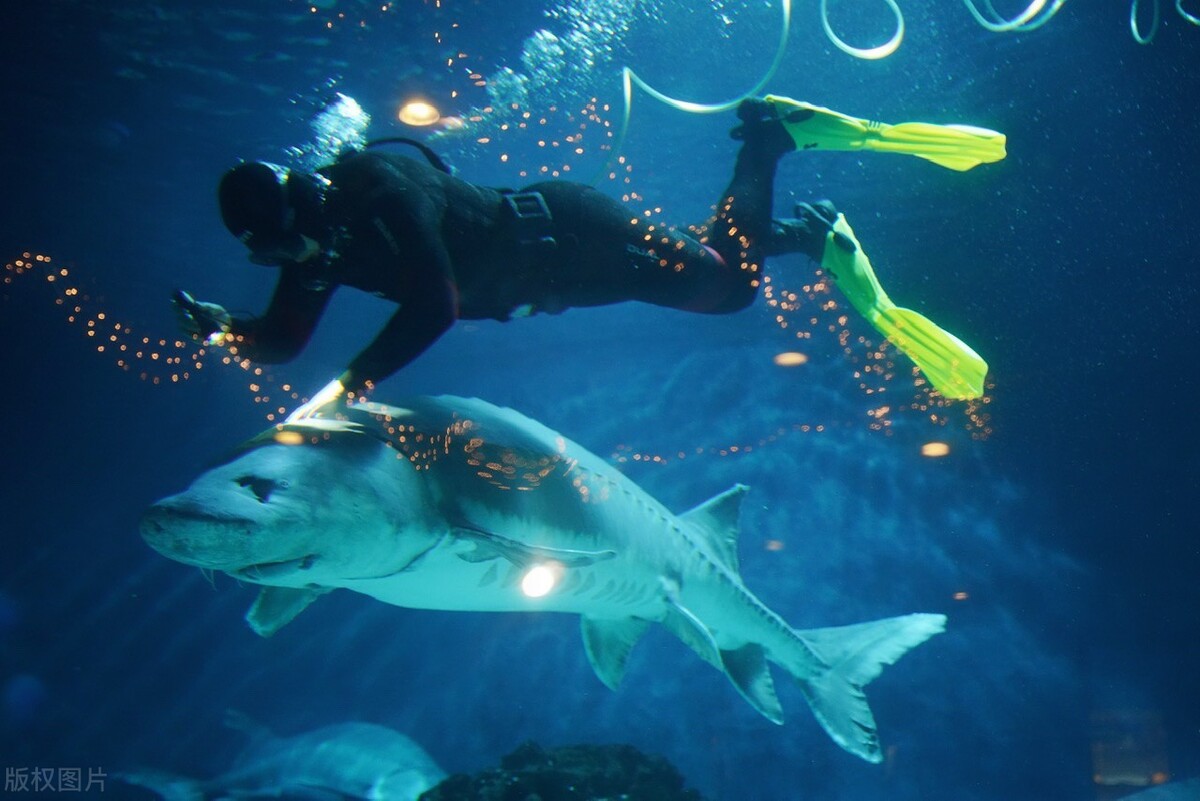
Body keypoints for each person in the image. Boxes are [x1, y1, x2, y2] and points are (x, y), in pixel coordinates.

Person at [176, 96, 999, 403]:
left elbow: (436, 303)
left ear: (305, 194)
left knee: (725, 290)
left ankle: (770, 141)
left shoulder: (378, 184)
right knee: (717, 273)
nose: (303, 256)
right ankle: (802, 231)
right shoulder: (314, 246)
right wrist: (224, 327)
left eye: (297, 234)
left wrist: (355, 382)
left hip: (572, 227)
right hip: (560, 276)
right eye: (281, 250)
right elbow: (283, 338)